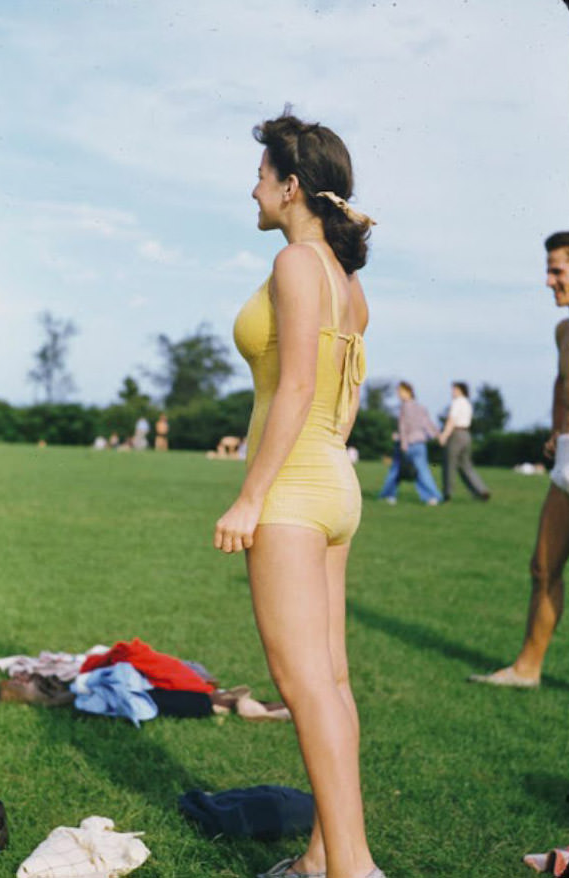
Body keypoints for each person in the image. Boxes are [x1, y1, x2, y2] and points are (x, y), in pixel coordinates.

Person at [213, 111, 386, 878]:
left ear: (291, 187)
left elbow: (300, 389)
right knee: (331, 682)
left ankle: (352, 871)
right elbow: (343, 398)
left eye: (260, 177)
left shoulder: (294, 266)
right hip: (335, 488)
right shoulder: (346, 284)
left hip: (292, 491)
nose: (251, 189)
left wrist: (250, 497)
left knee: (303, 686)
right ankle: (325, 857)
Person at [469, 231, 569, 688]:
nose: (549, 281)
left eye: (557, 270)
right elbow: (560, 384)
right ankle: (527, 669)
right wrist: (555, 431)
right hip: (566, 462)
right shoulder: (563, 330)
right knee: (543, 567)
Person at [378, 381, 442, 506]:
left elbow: (403, 427)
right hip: (420, 444)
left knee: (395, 470)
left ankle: (388, 495)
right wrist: (435, 436)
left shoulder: (404, 407)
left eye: (400, 391)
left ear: (409, 392)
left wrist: (403, 443)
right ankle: (433, 496)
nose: (398, 394)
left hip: (407, 444)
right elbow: (428, 425)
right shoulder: (421, 407)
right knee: (423, 471)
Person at [438, 382, 490, 501]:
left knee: (449, 465)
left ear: (460, 390)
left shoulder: (457, 402)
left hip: (456, 434)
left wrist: (444, 435)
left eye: (454, 389)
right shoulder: (468, 403)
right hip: (466, 434)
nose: (452, 392)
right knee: (466, 466)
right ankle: (481, 490)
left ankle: (447, 493)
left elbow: (452, 419)